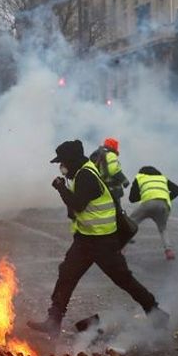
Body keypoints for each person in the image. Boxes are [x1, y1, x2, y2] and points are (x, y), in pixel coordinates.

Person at [27, 140, 167, 335]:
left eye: (63, 162)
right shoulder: (81, 172)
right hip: (85, 240)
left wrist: (60, 187)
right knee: (66, 275)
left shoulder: (86, 175)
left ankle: (155, 312)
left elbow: (78, 204)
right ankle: (54, 320)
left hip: (103, 242)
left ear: (72, 160)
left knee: (123, 279)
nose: (61, 166)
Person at [129, 166, 178, 261]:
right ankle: (168, 250)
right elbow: (177, 190)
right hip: (163, 205)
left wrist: (145, 193)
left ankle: (119, 248)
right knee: (162, 228)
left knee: (129, 224)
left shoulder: (140, 177)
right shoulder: (162, 178)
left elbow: (132, 198)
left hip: (148, 204)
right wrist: (166, 197)